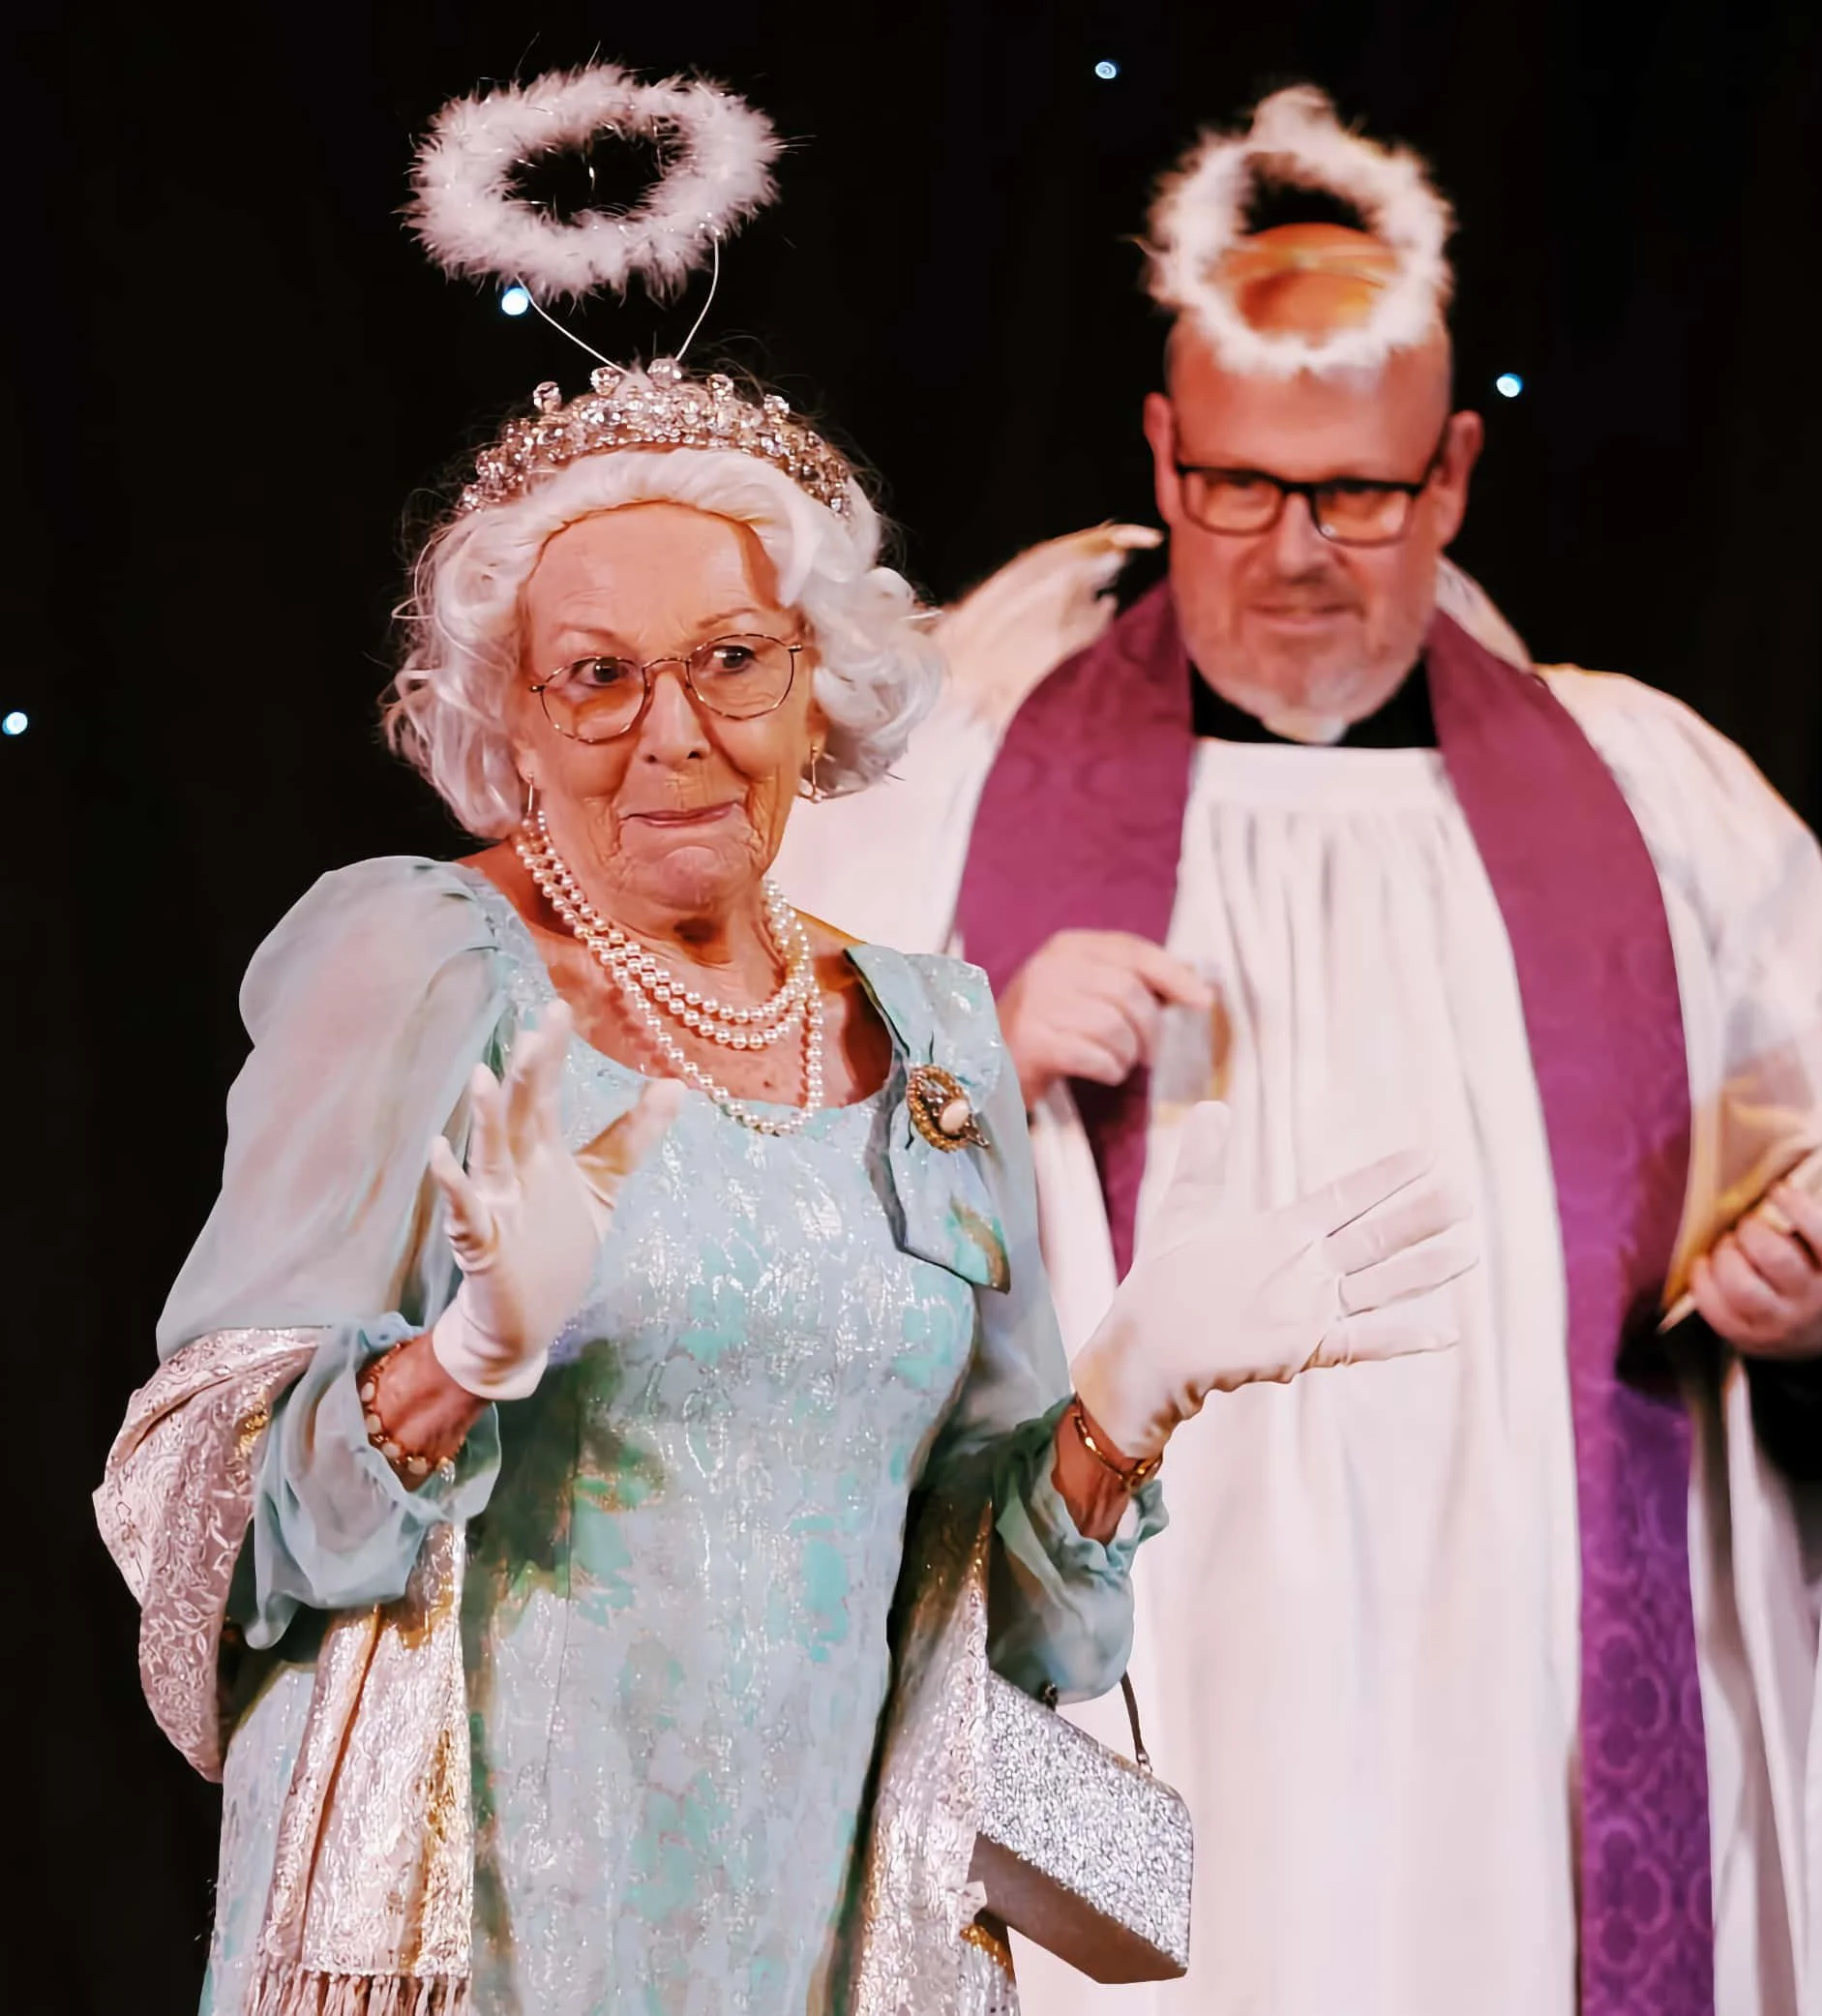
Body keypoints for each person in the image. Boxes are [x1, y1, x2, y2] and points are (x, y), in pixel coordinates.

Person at [94, 77, 1477, 2016]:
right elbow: (204, 1525)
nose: (674, 736)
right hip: (486, 1941)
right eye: (597, 678)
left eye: (730, 661)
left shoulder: (927, 1035)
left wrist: (1123, 1405)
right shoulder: (416, 961)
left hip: (833, 1945)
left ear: (818, 673)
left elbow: (1012, 1632)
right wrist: (456, 1365)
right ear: (505, 703)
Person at [776, 86, 1822, 2016]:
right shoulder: (930, 794)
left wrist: (1805, 1308)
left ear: (1456, 473)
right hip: (1128, 1651)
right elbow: (712, 1242)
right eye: (1239, 488)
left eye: (1360, 495)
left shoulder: (1667, 809)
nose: (1296, 556)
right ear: (1161, 454)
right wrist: (966, 1061)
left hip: (1525, 1707)